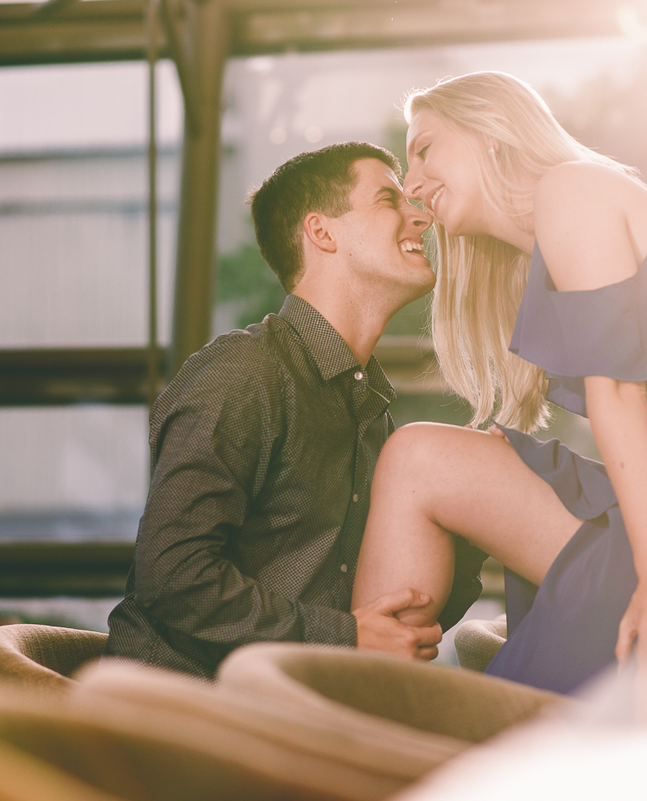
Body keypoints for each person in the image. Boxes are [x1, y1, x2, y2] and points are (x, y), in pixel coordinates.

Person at [351, 72, 647, 694]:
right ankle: (377, 700)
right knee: (430, 457)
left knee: (417, 460)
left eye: (425, 149)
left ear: (491, 131)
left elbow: (619, 396)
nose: (412, 187)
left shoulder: (573, 192)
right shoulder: (579, 211)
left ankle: (355, 717)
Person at [105, 142, 487, 677]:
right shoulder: (242, 374)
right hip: (183, 712)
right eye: (388, 199)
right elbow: (173, 577)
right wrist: (347, 638)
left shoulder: (369, 409)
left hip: (286, 705)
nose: (420, 217)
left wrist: (474, 508)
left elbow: (389, 618)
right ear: (322, 232)